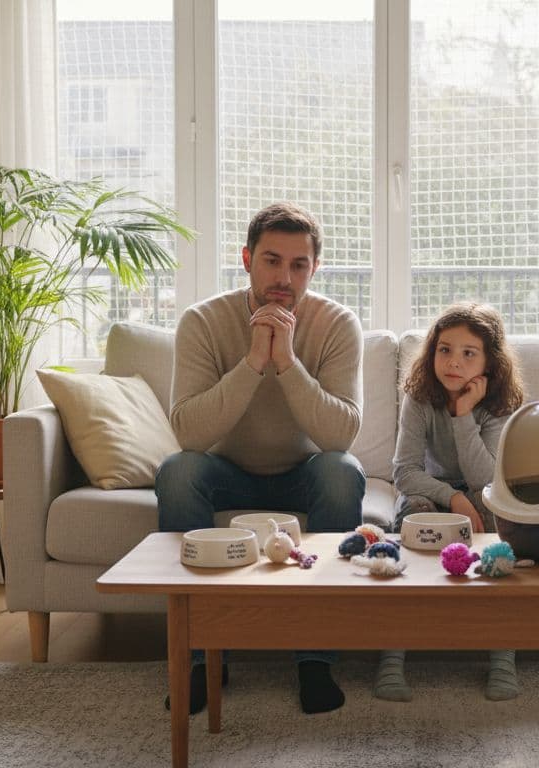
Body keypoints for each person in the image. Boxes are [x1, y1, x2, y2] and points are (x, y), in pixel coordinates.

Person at [157, 202, 365, 715]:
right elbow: (189, 433)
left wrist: (288, 360)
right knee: (177, 471)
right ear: (247, 258)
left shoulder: (337, 324)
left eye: (299, 265)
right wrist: (254, 360)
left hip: (303, 474)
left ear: (314, 268)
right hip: (227, 473)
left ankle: (315, 660)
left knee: (343, 473)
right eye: (272, 261)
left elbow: (340, 436)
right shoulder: (203, 321)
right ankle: (203, 658)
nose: (284, 277)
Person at [376, 302, 526, 702]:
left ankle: (502, 658)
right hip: (430, 489)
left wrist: (463, 415)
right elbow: (404, 472)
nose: (453, 362)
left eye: (468, 353)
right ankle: (391, 659)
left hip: (482, 493)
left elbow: (488, 480)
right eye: (445, 349)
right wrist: (453, 497)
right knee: (409, 525)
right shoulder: (420, 398)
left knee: (498, 535)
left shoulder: (498, 404)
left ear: (489, 363)